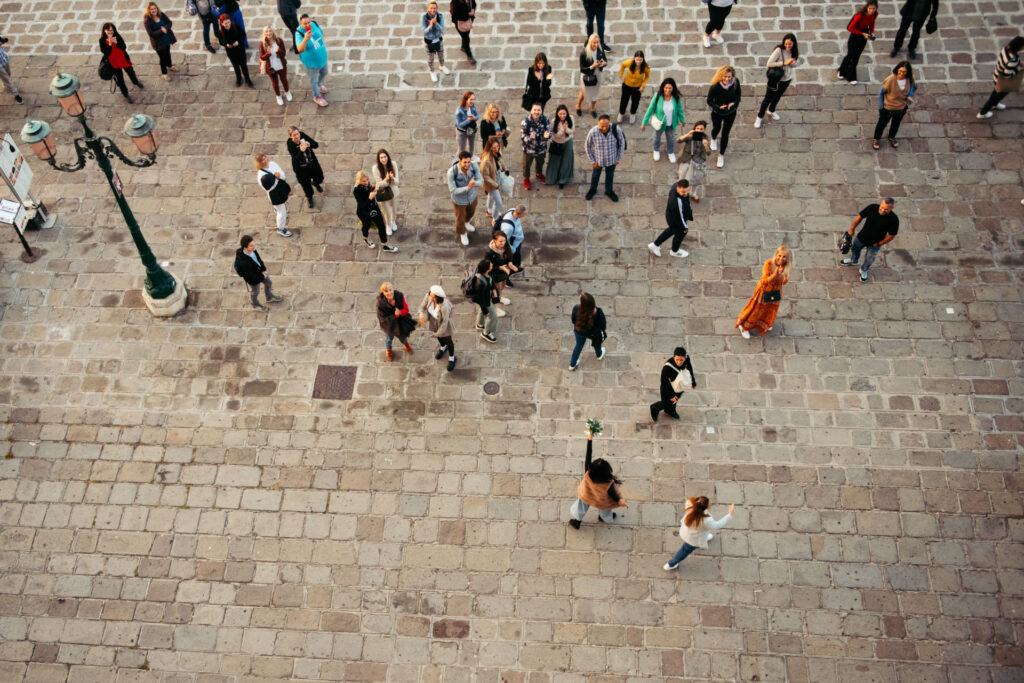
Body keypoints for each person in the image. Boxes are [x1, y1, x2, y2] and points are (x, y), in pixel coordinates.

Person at [568, 429, 626, 529]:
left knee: (580, 506)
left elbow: (588, 455)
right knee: (605, 509)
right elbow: (613, 494)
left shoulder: (588, 473)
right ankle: (604, 518)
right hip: (600, 500)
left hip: (586, 494)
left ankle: (577, 521)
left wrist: (590, 438)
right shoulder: (608, 482)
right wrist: (619, 500)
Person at [735, 246, 792, 338]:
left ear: (787, 259)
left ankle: (764, 324)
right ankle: (744, 326)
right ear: (776, 255)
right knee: (756, 310)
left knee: (769, 310)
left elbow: (784, 282)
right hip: (764, 291)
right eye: (779, 255)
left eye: (784, 257)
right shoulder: (769, 264)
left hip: (775, 292)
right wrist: (775, 274)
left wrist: (781, 275)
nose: (781, 258)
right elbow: (764, 281)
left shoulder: (786, 267)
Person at [664, 497, 735, 570]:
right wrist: (730, 515)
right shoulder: (706, 520)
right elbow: (718, 525)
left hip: (688, 531)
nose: (711, 503)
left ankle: (705, 538)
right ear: (705, 507)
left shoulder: (691, 507)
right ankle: (671, 564)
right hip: (692, 539)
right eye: (709, 503)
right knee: (685, 550)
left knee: (699, 534)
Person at [841, 198, 898, 282]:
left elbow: (892, 235)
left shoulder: (894, 220)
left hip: (875, 243)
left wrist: (879, 243)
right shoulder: (872, 207)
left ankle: (864, 269)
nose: (882, 210)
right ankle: (854, 260)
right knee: (855, 249)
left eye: (885, 209)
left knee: (869, 258)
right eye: (881, 207)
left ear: (891, 208)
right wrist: (852, 229)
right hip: (862, 237)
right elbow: (860, 217)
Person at [756, 34, 799, 128]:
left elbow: (795, 65)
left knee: (778, 96)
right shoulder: (779, 50)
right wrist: (784, 63)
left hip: (786, 79)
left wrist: (793, 63)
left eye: (790, 44)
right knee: (767, 98)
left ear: (794, 44)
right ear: (784, 42)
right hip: (775, 79)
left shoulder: (794, 51)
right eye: (786, 44)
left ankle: (771, 110)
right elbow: (769, 63)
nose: (788, 46)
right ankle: (759, 117)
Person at [641, 77, 685, 163]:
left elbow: (679, 109)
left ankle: (671, 152)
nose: (668, 90)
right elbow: (650, 109)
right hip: (660, 123)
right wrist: (644, 123)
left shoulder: (676, 97)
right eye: (666, 88)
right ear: (663, 88)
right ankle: (656, 150)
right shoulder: (658, 96)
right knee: (656, 137)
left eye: (670, 88)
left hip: (671, 123)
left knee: (671, 138)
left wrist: (682, 120)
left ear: (673, 88)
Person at [872, 61, 916, 150]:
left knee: (896, 124)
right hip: (888, 107)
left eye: (904, 72)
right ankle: (876, 139)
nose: (901, 73)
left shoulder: (909, 79)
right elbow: (881, 93)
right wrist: (881, 107)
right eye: (900, 71)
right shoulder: (891, 79)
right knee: (882, 124)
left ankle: (891, 137)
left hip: (901, 107)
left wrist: (910, 96)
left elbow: (912, 87)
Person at [233, 235, 284, 311]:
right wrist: (262, 276)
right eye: (251, 246)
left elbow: (258, 259)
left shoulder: (252, 250)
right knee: (255, 292)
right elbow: (251, 276)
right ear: (245, 247)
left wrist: (263, 269)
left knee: (269, 283)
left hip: (261, 272)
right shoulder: (244, 263)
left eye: (254, 244)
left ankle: (269, 297)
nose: (254, 247)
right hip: (253, 279)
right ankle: (255, 304)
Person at [977, 36, 1023, 119]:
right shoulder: (1012, 60)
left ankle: (995, 104)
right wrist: (1017, 74)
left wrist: (1019, 64)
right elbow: (1007, 75)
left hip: (997, 75)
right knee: (994, 97)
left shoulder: (1006, 49)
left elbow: (1014, 62)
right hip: (1002, 82)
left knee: (998, 96)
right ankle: (982, 113)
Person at [648, 180, 693, 259]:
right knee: (680, 234)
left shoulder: (675, 185)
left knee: (671, 231)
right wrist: (685, 227)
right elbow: (680, 217)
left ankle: (655, 245)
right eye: (683, 192)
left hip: (671, 217)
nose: (686, 194)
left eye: (687, 191)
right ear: (678, 188)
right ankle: (674, 251)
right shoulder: (677, 202)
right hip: (676, 221)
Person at [584, 115, 626, 202]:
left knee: (610, 176)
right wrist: (592, 160)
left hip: (612, 159)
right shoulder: (593, 132)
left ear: (609, 123)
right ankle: (592, 190)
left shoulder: (616, 130)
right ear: (598, 124)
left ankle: (609, 191)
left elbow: (622, 143)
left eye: (606, 126)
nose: (604, 128)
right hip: (598, 161)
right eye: (602, 126)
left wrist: (618, 158)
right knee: (595, 176)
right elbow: (587, 146)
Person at [99, 24, 144, 104]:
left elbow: (123, 47)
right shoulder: (102, 40)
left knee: (131, 72)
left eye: (111, 30)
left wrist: (116, 42)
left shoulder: (117, 36)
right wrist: (109, 43)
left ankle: (135, 82)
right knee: (120, 80)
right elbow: (106, 52)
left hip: (123, 59)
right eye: (108, 30)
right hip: (114, 62)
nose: (110, 32)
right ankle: (126, 94)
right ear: (104, 30)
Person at [706, 65, 741, 168]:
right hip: (717, 113)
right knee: (716, 128)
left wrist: (733, 103)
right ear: (721, 76)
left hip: (730, 113)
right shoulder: (715, 86)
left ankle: (721, 155)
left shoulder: (735, 82)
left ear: (732, 76)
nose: (727, 79)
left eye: (729, 77)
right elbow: (709, 101)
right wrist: (719, 107)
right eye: (725, 77)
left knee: (725, 133)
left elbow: (738, 96)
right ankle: (713, 138)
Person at [650, 346, 696, 421]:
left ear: (685, 357)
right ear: (674, 357)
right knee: (666, 403)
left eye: (681, 360)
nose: (679, 362)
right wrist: (671, 395)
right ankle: (654, 409)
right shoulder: (667, 368)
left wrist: (693, 381)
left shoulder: (687, 359)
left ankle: (670, 411)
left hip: (680, 385)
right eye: (677, 359)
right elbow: (664, 382)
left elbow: (690, 368)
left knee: (675, 401)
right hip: (668, 387)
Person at [353, 171, 396, 251]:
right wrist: (370, 198)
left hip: (374, 209)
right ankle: (365, 238)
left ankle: (385, 244)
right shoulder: (357, 190)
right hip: (364, 212)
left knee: (382, 226)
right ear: (359, 181)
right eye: (364, 181)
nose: (366, 182)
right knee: (366, 225)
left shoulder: (368, 185)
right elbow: (362, 205)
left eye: (367, 180)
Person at [447, 151, 483, 246]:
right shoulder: (452, 172)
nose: (467, 164)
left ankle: (467, 222)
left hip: (472, 197)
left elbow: (481, 181)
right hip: (459, 200)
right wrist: (468, 187)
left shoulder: (474, 166)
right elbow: (453, 190)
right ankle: (462, 233)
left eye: (469, 162)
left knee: (471, 212)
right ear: (460, 161)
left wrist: (474, 183)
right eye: (465, 162)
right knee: (460, 219)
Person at [417, 285, 457, 372]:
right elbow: (422, 307)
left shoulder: (444, 307)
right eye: (430, 294)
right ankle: (443, 347)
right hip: (434, 321)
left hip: (444, 325)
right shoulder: (428, 296)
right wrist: (421, 315)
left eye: (432, 296)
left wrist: (438, 333)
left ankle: (452, 358)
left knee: (448, 341)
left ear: (437, 297)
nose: (429, 297)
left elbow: (445, 322)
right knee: (439, 338)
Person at [837, 1, 878, 85]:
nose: (872, 10)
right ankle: (841, 71)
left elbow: (872, 22)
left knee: (856, 56)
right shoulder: (859, 16)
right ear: (867, 7)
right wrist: (862, 33)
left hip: (864, 36)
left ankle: (851, 76)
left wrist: (872, 31)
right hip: (856, 35)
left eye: (873, 9)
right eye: (870, 8)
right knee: (850, 55)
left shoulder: (875, 14)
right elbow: (850, 28)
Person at [254, 154, 293, 238]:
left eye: (265, 158)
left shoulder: (272, 164)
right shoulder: (260, 175)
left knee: (282, 203)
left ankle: (276, 209)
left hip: (280, 187)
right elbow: (268, 188)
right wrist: (276, 178)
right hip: (274, 193)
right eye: (262, 160)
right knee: (282, 212)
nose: (265, 161)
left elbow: (281, 173)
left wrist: (279, 177)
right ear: (259, 163)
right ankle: (280, 228)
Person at [376, 282, 416, 362]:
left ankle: (405, 344)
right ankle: (389, 351)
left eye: (390, 290)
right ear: (383, 293)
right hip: (389, 325)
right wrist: (395, 316)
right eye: (386, 291)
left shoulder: (399, 296)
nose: (389, 292)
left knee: (403, 335)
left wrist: (400, 312)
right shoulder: (380, 305)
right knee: (389, 339)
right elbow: (383, 320)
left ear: (393, 289)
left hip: (401, 322)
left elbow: (406, 310)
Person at [286, 127, 324, 209]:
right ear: (290, 137)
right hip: (301, 170)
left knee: (320, 178)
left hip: (312, 164)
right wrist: (301, 151)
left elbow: (316, 145)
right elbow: (295, 160)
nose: (297, 136)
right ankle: (309, 198)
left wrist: (310, 145)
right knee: (307, 187)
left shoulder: (302, 136)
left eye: (298, 133)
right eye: (294, 135)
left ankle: (316, 183)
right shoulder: (290, 144)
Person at [296, 13, 329, 107]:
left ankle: (319, 84)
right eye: (305, 24)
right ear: (300, 23)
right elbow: (300, 49)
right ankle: (317, 96)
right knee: (313, 80)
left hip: (322, 57)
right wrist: (306, 39)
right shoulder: (299, 33)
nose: (307, 25)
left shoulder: (314, 24)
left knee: (324, 72)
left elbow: (321, 34)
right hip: (311, 63)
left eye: (308, 22)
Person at [569, 293, 607, 370]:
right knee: (597, 344)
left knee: (579, 346)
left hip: (579, 331)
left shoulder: (576, 308)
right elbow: (603, 325)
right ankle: (599, 355)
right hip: (593, 334)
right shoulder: (598, 312)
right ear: (593, 302)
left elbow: (573, 320)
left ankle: (572, 364)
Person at [675, 122, 710, 202]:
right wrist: (687, 135)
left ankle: (692, 193)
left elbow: (708, 153)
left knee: (696, 180)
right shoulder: (690, 136)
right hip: (686, 160)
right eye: (697, 128)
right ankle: (680, 193)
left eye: (701, 129)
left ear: (704, 130)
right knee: (682, 178)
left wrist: (706, 146)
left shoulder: (705, 138)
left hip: (698, 162)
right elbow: (678, 141)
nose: (699, 130)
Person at [484, 231, 516, 317]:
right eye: (500, 241)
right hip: (493, 276)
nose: (503, 243)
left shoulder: (506, 247)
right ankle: (494, 310)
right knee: (493, 294)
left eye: (504, 241)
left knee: (500, 288)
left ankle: (500, 298)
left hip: (502, 275)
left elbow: (510, 256)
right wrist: (500, 268)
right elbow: (487, 268)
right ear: (494, 240)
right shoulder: (489, 253)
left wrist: (510, 263)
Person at [521, 102, 551, 190]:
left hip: (541, 149)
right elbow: (523, 137)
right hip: (529, 150)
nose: (536, 112)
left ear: (541, 111)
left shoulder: (545, 120)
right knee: (526, 165)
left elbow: (549, 132)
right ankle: (526, 178)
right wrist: (530, 138)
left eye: (539, 110)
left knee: (540, 163)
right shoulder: (525, 122)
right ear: (531, 110)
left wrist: (547, 136)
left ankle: (539, 174)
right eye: (535, 110)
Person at [143, 3, 177, 82]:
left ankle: (169, 66)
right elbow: (151, 33)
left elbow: (169, 22)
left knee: (168, 53)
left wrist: (165, 28)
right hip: (158, 42)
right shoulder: (147, 20)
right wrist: (161, 30)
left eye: (155, 8)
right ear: (149, 10)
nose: (154, 10)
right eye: (152, 9)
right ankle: (164, 74)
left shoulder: (161, 14)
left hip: (166, 38)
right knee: (162, 58)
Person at [259, 27, 292, 105]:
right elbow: (262, 57)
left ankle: (287, 92)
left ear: (273, 32)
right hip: (271, 68)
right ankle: (278, 96)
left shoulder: (279, 41)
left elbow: (284, 54)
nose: (268, 33)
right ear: (264, 33)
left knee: (284, 79)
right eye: (266, 32)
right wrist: (268, 53)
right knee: (275, 83)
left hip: (281, 65)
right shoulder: (262, 43)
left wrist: (278, 51)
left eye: (270, 31)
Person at [576, 34, 608, 118]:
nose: (596, 45)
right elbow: (582, 69)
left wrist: (604, 63)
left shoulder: (600, 50)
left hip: (597, 74)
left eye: (597, 42)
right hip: (587, 74)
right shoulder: (584, 53)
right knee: (584, 91)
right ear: (590, 42)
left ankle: (592, 108)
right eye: (594, 43)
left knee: (595, 92)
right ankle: (578, 105)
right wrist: (592, 66)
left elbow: (605, 59)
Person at [468, 259, 498, 343]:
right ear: (487, 269)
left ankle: (480, 324)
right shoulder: (480, 283)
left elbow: (490, 281)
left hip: (486, 296)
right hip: (485, 300)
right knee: (493, 317)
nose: (492, 265)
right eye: (491, 265)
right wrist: (486, 311)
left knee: (482, 310)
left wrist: (493, 289)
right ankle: (486, 333)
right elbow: (481, 299)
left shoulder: (484, 274)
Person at [219, 14, 253, 88]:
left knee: (243, 65)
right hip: (231, 52)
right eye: (226, 23)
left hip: (240, 50)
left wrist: (238, 42)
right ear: (222, 24)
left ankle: (247, 79)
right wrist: (226, 45)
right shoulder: (221, 32)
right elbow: (221, 41)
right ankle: (239, 79)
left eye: (229, 22)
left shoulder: (236, 27)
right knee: (236, 66)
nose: (228, 24)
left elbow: (243, 35)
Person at [371, 149, 400, 235]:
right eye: (381, 158)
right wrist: (387, 179)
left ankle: (393, 221)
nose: (384, 159)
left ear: (388, 156)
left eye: (385, 157)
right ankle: (388, 225)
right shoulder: (375, 168)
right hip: (383, 192)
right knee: (386, 210)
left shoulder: (393, 164)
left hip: (394, 190)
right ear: (378, 159)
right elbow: (379, 184)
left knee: (394, 208)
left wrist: (392, 179)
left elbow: (397, 181)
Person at [546, 105, 575, 188]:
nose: (562, 116)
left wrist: (566, 130)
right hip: (556, 143)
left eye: (564, 114)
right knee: (554, 161)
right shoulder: (553, 121)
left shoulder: (571, 118)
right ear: (557, 114)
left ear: (567, 113)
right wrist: (563, 129)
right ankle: (552, 178)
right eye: (560, 114)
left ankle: (563, 179)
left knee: (566, 160)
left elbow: (572, 131)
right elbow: (556, 135)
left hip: (567, 141)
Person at [617, 50, 650, 123]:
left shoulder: (645, 67)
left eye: (640, 60)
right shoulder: (629, 63)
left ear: (643, 59)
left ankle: (632, 114)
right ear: (634, 58)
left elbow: (647, 77)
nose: (639, 62)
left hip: (637, 87)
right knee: (624, 101)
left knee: (635, 102)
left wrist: (643, 86)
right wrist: (621, 75)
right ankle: (621, 113)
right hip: (627, 85)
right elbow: (623, 65)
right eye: (637, 60)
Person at [480, 136, 507, 221]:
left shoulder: (498, 152)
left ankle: (489, 211)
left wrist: (504, 169)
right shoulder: (486, 160)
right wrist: (496, 186)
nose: (496, 149)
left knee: (490, 196)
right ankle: (495, 219)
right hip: (491, 183)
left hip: (497, 175)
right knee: (499, 203)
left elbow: (500, 161)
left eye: (497, 147)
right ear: (490, 148)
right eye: (494, 147)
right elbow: (485, 176)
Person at [497, 205, 527, 280]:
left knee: (517, 260)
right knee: (509, 261)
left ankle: (514, 269)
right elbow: (505, 241)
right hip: (512, 243)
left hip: (517, 241)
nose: (525, 215)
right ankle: (505, 278)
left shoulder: (512, 210)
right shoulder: (508, 228)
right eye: (524, 214)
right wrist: (512, 249)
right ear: (519, 214)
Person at [422, 1, 450, 82]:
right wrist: (430, 25)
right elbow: (424, 32)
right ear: (428, 8)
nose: (433, 10)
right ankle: (432, 71)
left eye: (434, 8)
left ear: (437, 9)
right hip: (429, 42)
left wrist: (436, 23)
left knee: (441, 54)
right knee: (430, 59)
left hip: (438, 40)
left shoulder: (440, 16)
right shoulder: (424, 17)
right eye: (431, 8)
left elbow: (441, 29)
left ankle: (442, 66)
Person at [450, 0, 477, 65]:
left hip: (468, 21)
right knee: (466, 39)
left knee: (466, 35)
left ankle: (463, 47)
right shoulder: (456, 2)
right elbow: (455, 16)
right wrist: (468, 14)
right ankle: (469, 55)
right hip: (460, 23)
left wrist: (473, 9)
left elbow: (474, 3)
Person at [455, 91, 479, 157]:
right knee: (461, 150)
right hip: (462, 132)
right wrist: (469, 120)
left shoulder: (472, 107)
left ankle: (470, 159)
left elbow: (477, 116)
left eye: (474, 99)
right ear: (466, 99)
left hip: (471, 130)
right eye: (471, 99)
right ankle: (457, 162)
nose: (473, 101)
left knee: (471, 146)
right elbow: (459, 125)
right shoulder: (459, 110)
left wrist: (474, 118)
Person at [0, 35, 20, 103]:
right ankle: (16, 94)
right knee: (8, 80)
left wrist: (3, 40)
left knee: (8, 74)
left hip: (4, 60)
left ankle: (7, 85)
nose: (1, 44)